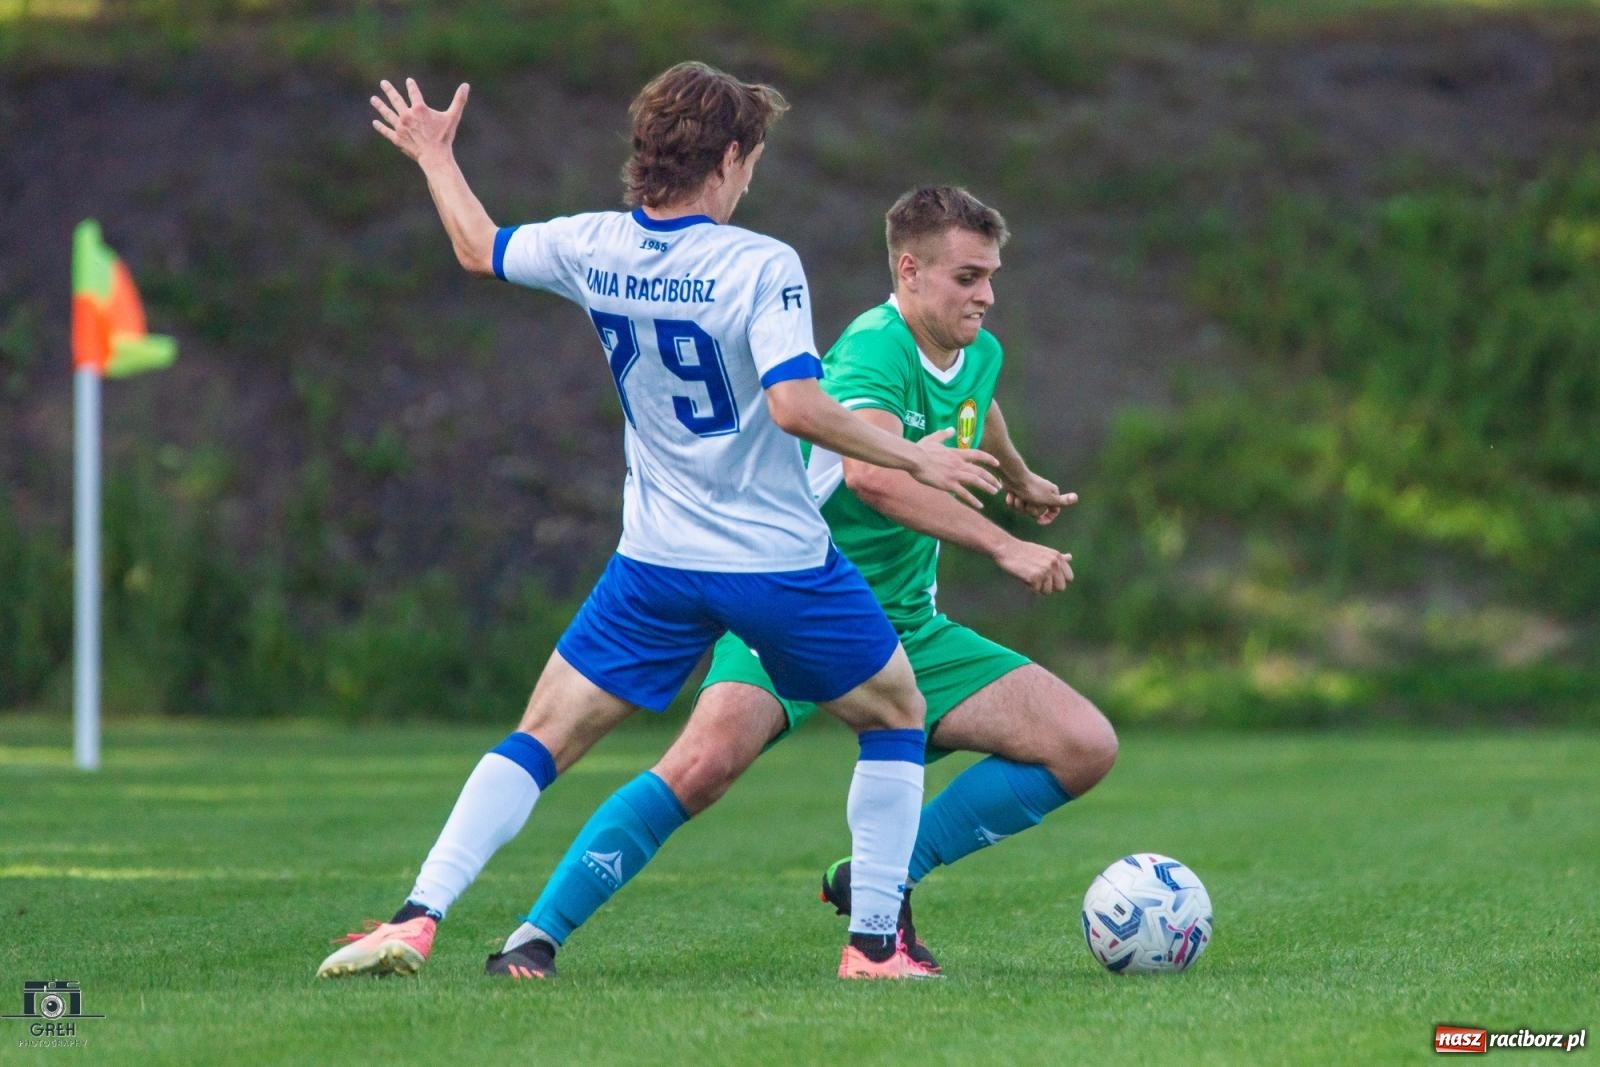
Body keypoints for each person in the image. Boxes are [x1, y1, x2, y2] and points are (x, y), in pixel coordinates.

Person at [317, 65, 1003, 983]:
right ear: (728, 158)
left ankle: (417, 914)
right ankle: (875, 945)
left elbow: (479, 248)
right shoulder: (760, 264)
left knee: (542, 734)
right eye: (751, 158)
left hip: (656, 559)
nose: (750, 176)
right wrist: (913, 456)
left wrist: (436, 155)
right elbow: (796, 406)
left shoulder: (592, 243)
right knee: (896, 711)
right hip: (774, 560)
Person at [490, 186, 1118, 980]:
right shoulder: (874, 349)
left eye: (991, 275)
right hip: (792, 604)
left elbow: (976, 401)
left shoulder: (977, 350)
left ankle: (877, 877)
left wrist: (1019, 477)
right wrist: (1005, 545)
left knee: (1082, 745)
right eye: (967, 277)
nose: (986, 294)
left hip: (904, 625)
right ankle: (534, 936)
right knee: (702, 765)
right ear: (909, 270)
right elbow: (871, 476)